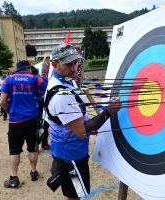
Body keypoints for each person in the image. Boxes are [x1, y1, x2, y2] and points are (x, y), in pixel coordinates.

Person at [46, 44, 121, 200]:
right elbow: (82, 131)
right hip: (70, 156)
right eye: (68, 63)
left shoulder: (66, 81)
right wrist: (109, 112)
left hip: (70, 152)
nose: (74, 67)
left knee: (72, 193)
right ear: (54, 64)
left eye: (76, 62)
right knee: (74, 196)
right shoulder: (61, 95)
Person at [0, 60, 47, 188]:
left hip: (15, 120)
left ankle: (14, 178)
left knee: (14, 150)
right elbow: (49, 91)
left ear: (17, 69)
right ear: (28, 69)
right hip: (32, 118)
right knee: (33, 147)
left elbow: (2, 101)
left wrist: (10, 112)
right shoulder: (35, 78)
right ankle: (33, 172)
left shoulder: (8, 79)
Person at [30, 66, 50, 150]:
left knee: (41, 125)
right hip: (39, 106)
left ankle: (40, 144)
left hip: (38, 106)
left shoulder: (41, 80)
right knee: (42, 124)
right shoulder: (41, 79)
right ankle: (41, 144)